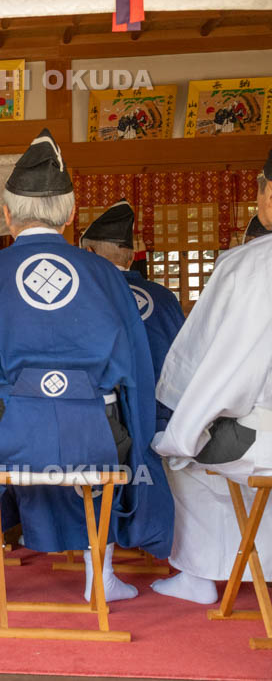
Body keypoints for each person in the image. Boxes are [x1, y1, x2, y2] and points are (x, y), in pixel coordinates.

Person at [0, 129, 172, 603]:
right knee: (120, 435)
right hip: (96, 436)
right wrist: (142, 441)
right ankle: (101, 575)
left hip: (4, 437)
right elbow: (137, 372)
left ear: (7, 216)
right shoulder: (110, 280)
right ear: (69, 215)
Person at [150, 148, 272, 605]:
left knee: (184, 455)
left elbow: (210, 367)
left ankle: (198, 576)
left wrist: (183, 430)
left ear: (269, 193)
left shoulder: (250, 265)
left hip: (263, 436)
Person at [80, 200, 185, 432]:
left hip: (107, 421)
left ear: (89, 253)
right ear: (130, 259)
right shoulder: (166, 298)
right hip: (165, 422)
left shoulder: (85, 298)